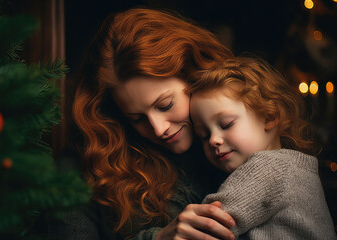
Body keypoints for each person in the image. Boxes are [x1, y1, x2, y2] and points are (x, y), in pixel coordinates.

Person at [52, 7, 238, 240]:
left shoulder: (246, 135)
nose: (159, 129)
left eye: (166, 105)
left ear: (194, 74)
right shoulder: (80, 168)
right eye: (137, 118)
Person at [189, 56, 337, 239]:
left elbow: (204, 226)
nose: (213, 140)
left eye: (226, 124)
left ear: (269, 117)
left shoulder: (269, 168)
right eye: (203, 135)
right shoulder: (295, 168)